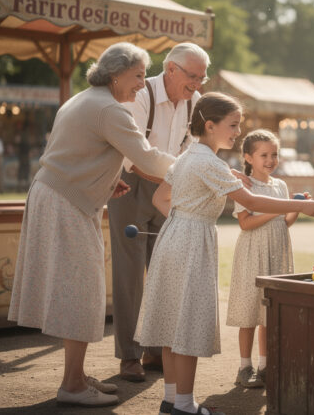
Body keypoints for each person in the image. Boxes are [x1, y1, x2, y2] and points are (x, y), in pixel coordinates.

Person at [134, 92, 314, 415]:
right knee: (186, 323)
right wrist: (302, 205)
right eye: (233, 125)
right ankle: (185, 406)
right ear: (210, 126)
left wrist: (185, 219)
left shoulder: (188, 156)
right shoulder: (207, 161)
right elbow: (252, 203)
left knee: (172, 323)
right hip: (192, 241)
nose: (238, 132)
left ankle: (172, 401)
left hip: (174, 237)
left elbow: (160, 198)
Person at [8, 42, 176, 407]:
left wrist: (105, 177)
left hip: (58, 194)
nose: (141, 84)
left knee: (81, 288)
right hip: (65, 201)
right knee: (82, 291)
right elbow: (145, 156)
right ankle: (71, 384)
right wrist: (190, 167)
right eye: (138, 76)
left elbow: (77, 149)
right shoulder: (110, 110)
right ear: (116, 74)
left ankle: (78, 376)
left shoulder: (87, 99)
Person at [107, 42, 231, 383]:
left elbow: (194, 150)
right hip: (131, 184)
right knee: (130, 273)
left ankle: (155, 349)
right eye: (192, 76)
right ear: (171, 69)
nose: (198, 84)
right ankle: (129, 356)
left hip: (170, 187)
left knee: (167, 269)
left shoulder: (195, 103)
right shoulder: (142, 93)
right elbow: (134, 154)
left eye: (202, 77)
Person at [227, 129, 298, 389]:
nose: (270, 160)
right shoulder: (244, 185)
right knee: (249, 312)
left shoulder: (280, 186)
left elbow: (284, 223)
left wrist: (295, 208)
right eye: (263, 155)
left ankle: (266, 366)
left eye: (274, 154)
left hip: (275, 251)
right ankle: (244, 367)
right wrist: (276, 209)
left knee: (268, 313)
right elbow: (245, 224)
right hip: (252, 252)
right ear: (248, 157)